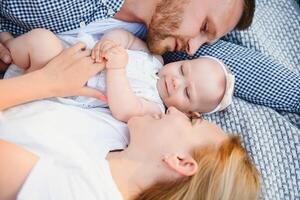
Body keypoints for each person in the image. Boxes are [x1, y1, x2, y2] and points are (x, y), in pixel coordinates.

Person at [1, 0, 298, 113]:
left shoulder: (169, 57)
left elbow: (245, 74)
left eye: (207, 39)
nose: (193, 48)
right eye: (205, 27)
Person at [0, 103, 260, 200]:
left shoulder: (81, 191)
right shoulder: (119, 136)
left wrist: (42, 84)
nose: (174, 110)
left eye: (191, 121)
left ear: (180, 161)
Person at [4, 28, 234, 121]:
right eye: (183, 70)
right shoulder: (153, 58)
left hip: (69, 93)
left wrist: (117, 69)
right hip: (65, 57)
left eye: (186, 92)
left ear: (187, 112)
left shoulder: (154, 108)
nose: (176, 81)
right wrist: (110, 43)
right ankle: (8, 52)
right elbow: (125, 37)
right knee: (41, 41)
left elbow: (125, 109)